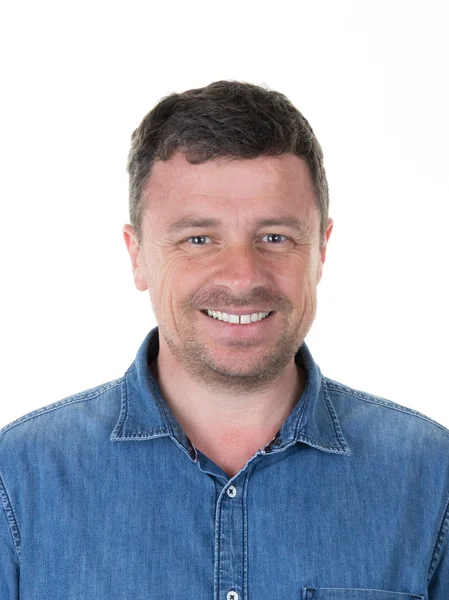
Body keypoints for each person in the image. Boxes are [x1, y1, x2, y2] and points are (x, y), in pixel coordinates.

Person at [0, 80, 448, 600]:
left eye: (274, 237)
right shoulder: (19, 478)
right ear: (137, 254)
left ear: (321, 250)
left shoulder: (431, 477)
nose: (241, 277)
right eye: (198, 238)